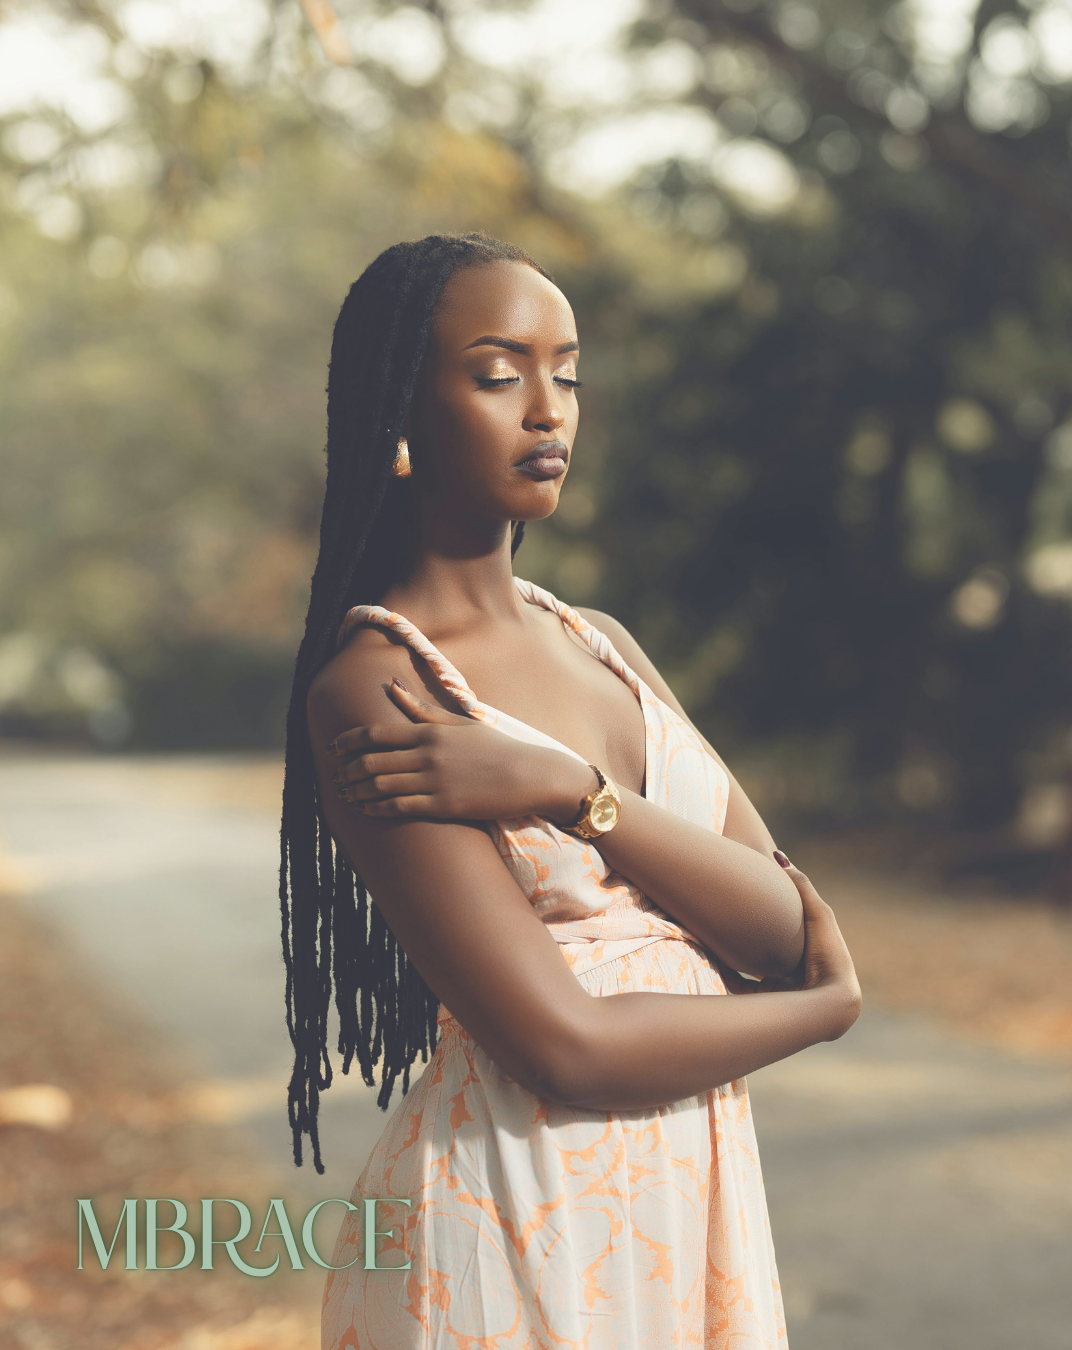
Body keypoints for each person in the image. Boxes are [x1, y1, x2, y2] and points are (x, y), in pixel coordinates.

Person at [280, 230, 862, 1349]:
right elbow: (565, 1047)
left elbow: (782, 924)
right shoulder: (379, 686)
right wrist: (820, 1016)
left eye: (568, 372)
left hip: (685, 1198)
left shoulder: (599, 644)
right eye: (500, 374)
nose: (548, 409)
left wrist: (569, 788)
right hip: (511, 1216)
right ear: (400, 415)